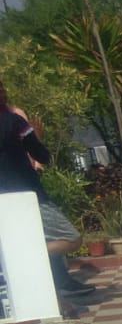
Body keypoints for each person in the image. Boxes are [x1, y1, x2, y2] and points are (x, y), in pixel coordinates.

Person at [0, 80, 94, 301]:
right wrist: (37, 136)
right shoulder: (15, 122)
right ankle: (25, 255)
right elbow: (42, 156)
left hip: (4, 201)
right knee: (71, 238)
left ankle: (58, 301)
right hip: (29, 195)